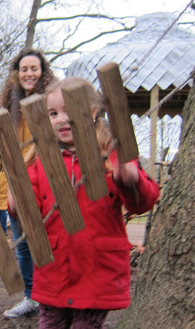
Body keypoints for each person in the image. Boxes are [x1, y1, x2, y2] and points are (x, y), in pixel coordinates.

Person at [22, 77, 159, 328]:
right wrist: (17, 200)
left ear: (93, 112)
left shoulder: (112, 152)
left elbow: (145, 202)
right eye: (53, 113)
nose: (61, 119)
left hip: (97, 269)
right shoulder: (38, 159)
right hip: (54, 270)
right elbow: (31, 210)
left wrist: (130, 180)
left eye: (69, 110)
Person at [0, 48, 56, 318]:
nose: (28, 73)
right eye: (23, 69)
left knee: (47, 241)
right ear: (17, 73)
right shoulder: (7, 111)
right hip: (12, 188)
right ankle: (32, 297)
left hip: (42, 183)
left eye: (33, 68)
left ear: (42, 72)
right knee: (23, 244)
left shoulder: (50, 103)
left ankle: (52, 297)